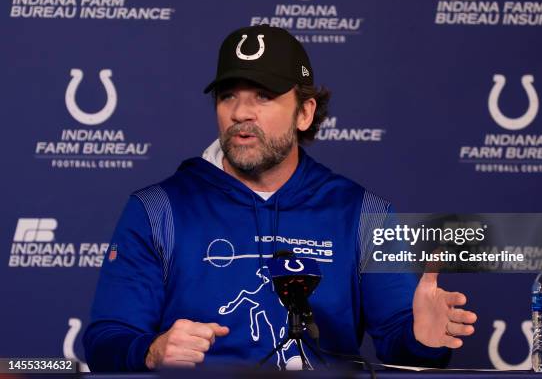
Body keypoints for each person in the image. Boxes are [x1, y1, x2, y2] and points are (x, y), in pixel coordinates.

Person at [83, 25, 477, 372]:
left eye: (263, 96)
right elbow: (106, 340)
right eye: (228, 96)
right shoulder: (157, 211)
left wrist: (423, 340)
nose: (240, 112)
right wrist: (151, 351)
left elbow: (399, 344)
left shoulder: (360, 213)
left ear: (305, 112)